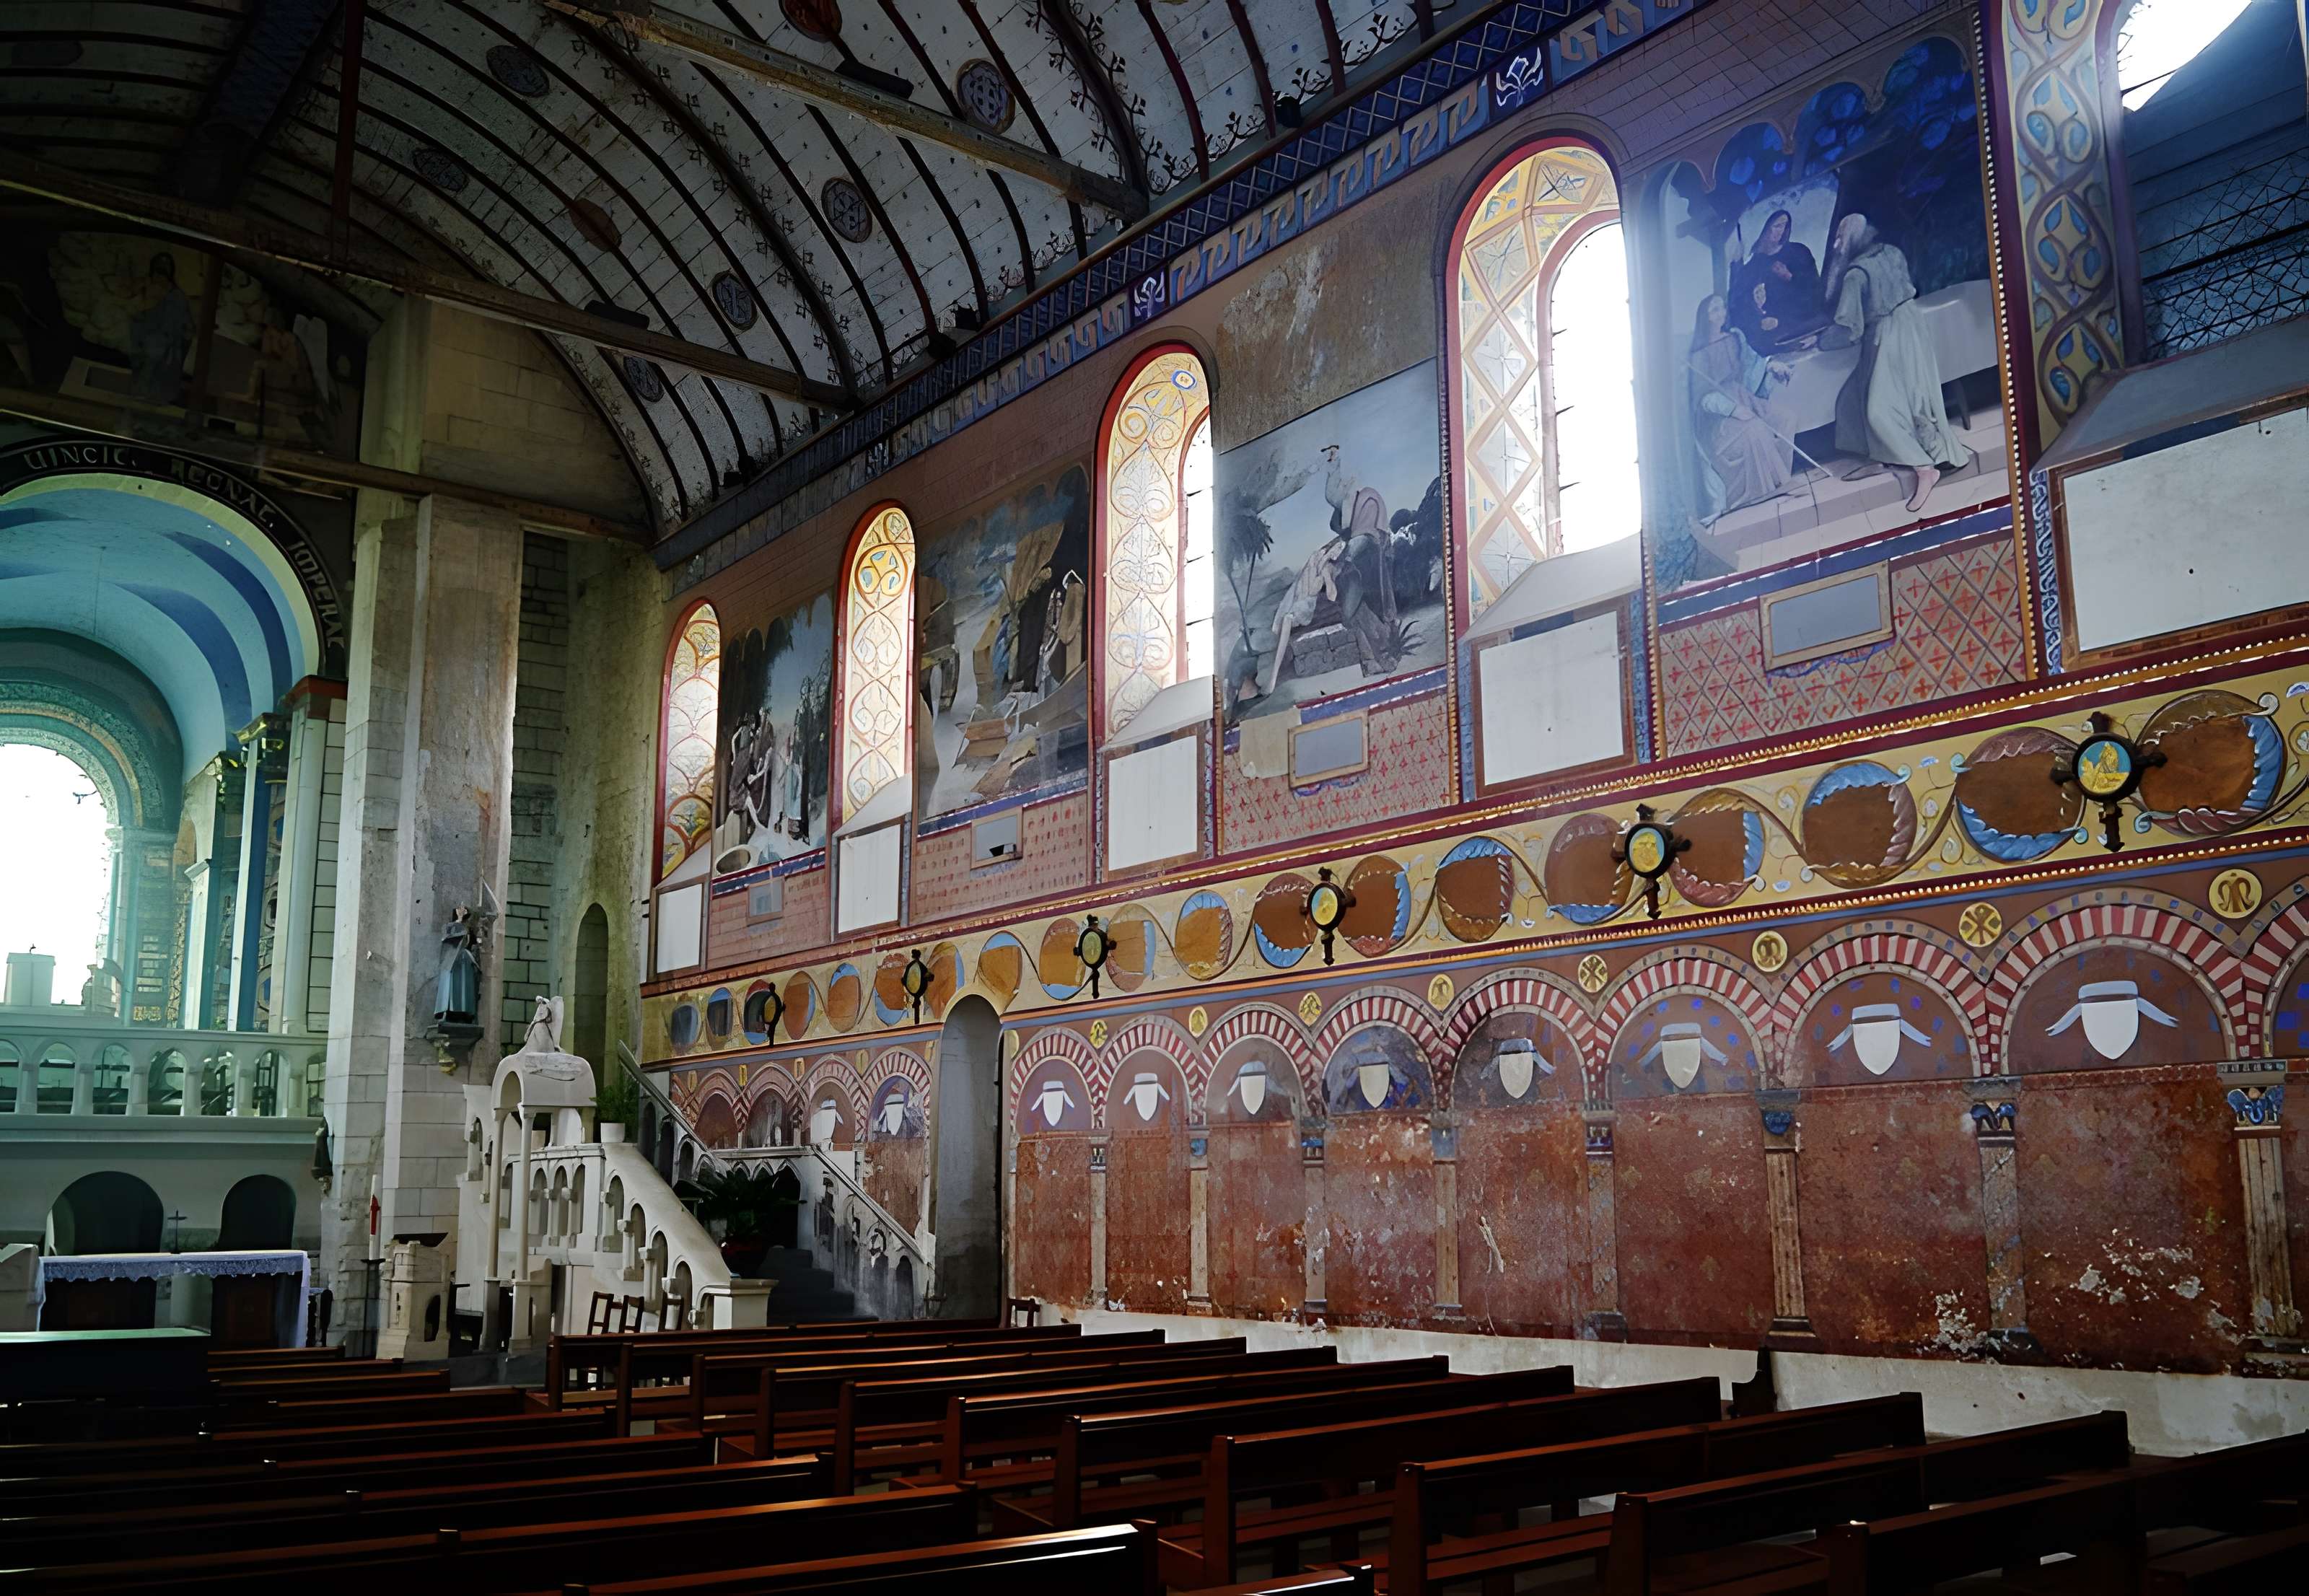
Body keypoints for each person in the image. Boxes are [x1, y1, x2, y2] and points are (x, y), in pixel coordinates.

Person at [1823, 212, 1971, 512]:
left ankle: (1924, 469)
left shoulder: (1854, 274)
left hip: (1887, 337)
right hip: (1911, 325)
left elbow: (1849, 328)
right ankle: (1882, 456)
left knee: (1879, 410)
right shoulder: (1892, 251)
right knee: (1858, 399)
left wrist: (1821, 341)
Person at [1688, 293, 1796, 524]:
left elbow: (1753, 363)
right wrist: (1732, 410)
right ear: (1704, 317)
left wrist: (1771, 366)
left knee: (1786, 419)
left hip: (1745, 396)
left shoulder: (1735, 338)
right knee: (1754, 428)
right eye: (1714, 310)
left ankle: (1778, 479)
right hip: (1720, 416)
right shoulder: (1697, 356)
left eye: (1722, 308)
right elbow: (1703, 399)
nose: (1721, 314)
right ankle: (1763, 491)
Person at [1730, 209, 1823, 347]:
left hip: (1804, 326)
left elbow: (1816, 291)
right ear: (1763, 227)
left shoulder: (1799, 252)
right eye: (1777, 226)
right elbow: (1740, 307)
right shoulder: (1750, 269)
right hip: (1772, 337)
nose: (1781, 231)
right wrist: (1759, 315)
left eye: (1785, 225)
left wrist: (1790, 277)